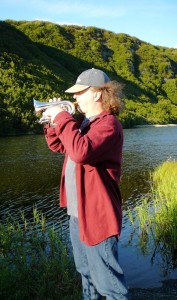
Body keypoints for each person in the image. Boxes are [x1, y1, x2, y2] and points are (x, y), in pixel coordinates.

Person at [42, 68, 130, 300]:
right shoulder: (84, 123)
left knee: (109, 283)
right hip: (77, 213)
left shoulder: (108, 125)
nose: (74, 98)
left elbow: (81, 152)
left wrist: (62, 117)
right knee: (86, 275)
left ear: (98, 94)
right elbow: (60, 146)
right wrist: (52, 123)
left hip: (97, 214)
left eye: (80, 92)